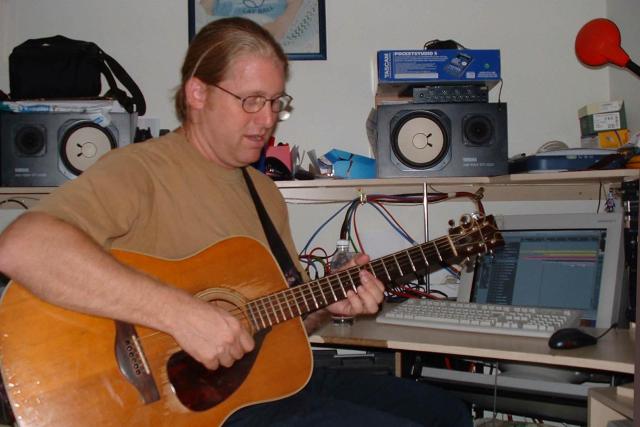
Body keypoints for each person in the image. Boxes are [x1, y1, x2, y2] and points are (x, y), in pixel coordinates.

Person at [0, 17, 472, 427]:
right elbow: (21, 246)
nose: (267, 119)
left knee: (446, 413)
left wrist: (331, 303)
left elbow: (277, 322)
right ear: (198, 93)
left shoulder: (263, 190)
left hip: (259, 384)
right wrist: (181, 315)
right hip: (180, 408)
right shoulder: (140, 170)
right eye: (250, 100)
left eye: (275, 102)